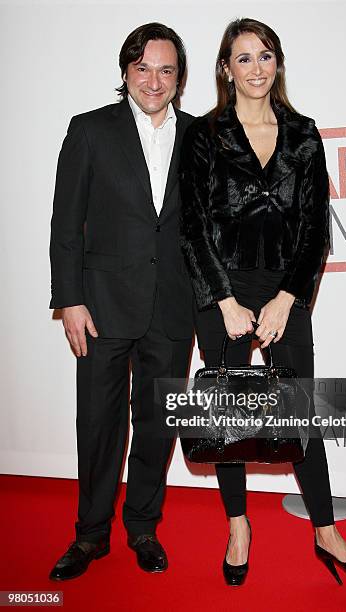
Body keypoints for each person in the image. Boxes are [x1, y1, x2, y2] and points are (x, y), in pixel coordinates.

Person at [179, 18, 346, 586]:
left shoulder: (304, 133)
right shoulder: (205, 134)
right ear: (226, 69)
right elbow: (192, 227)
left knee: (299, 410)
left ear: (278, 62)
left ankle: (325, 531)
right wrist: (224, 300)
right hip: (221, 292)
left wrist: (288, 297)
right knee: (231, 416)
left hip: (285, 291)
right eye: (243, 58)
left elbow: (316, 228)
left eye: (265, 56)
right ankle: (239, 526)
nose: (256, 68)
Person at [49, 22, 194, 580]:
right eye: (142, 67)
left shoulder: (200, 136)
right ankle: (89, 536)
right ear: (125, 71)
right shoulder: (90, 131)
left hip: (172, 307)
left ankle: (142, 526)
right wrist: (71, 300)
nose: (153, 80)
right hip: (103, 305)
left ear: (179, 78)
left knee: (157, 424)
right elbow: (66, 223)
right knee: (100, 424)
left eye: (166, 69)